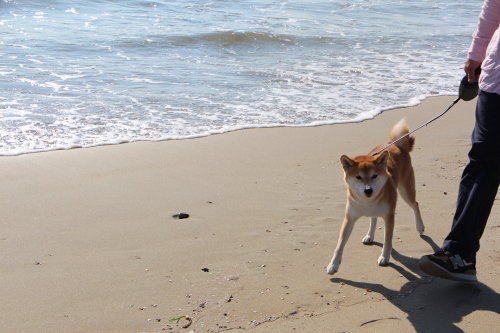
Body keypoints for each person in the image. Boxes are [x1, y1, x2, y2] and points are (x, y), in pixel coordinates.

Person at [419, 0, 500, 282]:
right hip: (498, 81)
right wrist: (477, 54)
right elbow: (493, 7)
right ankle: (460, 254)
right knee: (482, 163)